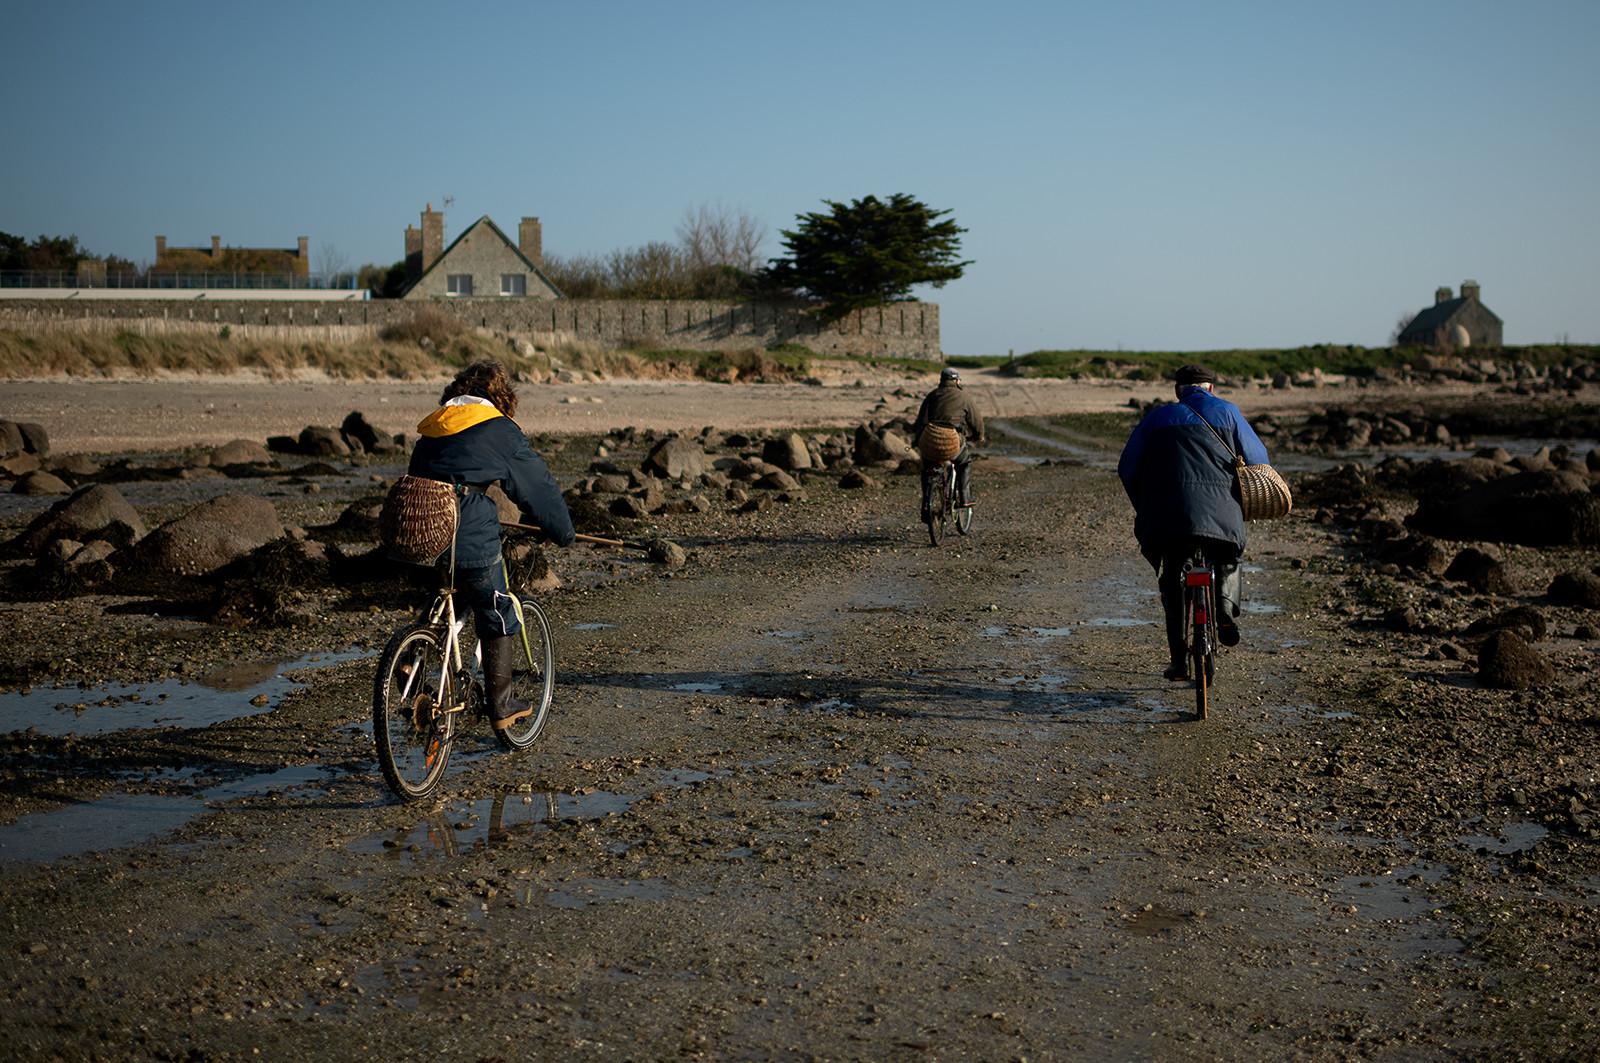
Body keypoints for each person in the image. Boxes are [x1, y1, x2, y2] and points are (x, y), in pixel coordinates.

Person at [409, 359, 575, 731]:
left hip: (419, 531)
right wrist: (561, 532)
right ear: (501, 396)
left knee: (444, 593)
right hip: (467, 531)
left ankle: (412, 657)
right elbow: (537, 488)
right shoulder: (498, 429)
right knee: (495, 607)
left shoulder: (434, 425)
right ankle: (502, 706)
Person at [1117, 364, 1270, 680]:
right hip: (1221, 514)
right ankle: (1225, 610)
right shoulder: (1229, 413)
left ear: (1178, 391)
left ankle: (1178, 661)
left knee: (1172, 579)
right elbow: (1259, 460)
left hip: (1169, 518)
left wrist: (1145, 506)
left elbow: (1127, 468)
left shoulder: (1158, 418)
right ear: (1211, 389)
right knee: (1228, 557)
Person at [911, 367, 986, 515]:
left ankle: (926, 503)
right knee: (965, 462)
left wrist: (917, 440)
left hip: (930, 439)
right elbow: (976, 422)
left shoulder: (932, 395)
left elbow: (920, 422)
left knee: (928, 470)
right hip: (952, 440)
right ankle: (964, 498)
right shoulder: (964, 397)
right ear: (957, 381)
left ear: (941, 381)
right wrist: (978, 436)